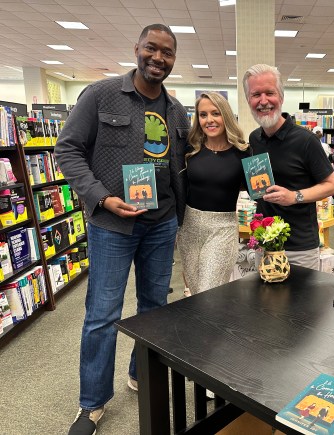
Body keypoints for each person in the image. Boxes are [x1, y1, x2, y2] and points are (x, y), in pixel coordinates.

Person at [54, 24, 189, 435]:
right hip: (112, 223)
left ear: (173, 59)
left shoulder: (176, 109)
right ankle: (92, 404)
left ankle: (139, 371)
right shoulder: (101, 95)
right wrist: (101, 197)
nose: (158, 58)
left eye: (167, 52)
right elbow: (67, 149)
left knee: (154, 307)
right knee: (102, 313)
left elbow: (182, 164)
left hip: (161, 222)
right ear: (137, 49)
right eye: (152, 48)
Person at [242, 64, 334, 270]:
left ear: (281, 97)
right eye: (256, 94)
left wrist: (294, 196)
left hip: (299, 248)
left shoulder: (306, 140)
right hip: (265, 243)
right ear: (248, 100)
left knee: (301, 293)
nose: (263, 101)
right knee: (264, 292)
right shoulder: (254, 138)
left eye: (270, 93)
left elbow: (332, 185)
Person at [178, 92, 249, 296]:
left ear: (225, 115)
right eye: (203, 115)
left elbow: (257, 190)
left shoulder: (244, 152)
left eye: (215, 113)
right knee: (195, 291)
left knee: (208, 293)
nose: (209, 120)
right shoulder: (191, 150)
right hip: (189, 227)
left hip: (222, 228)